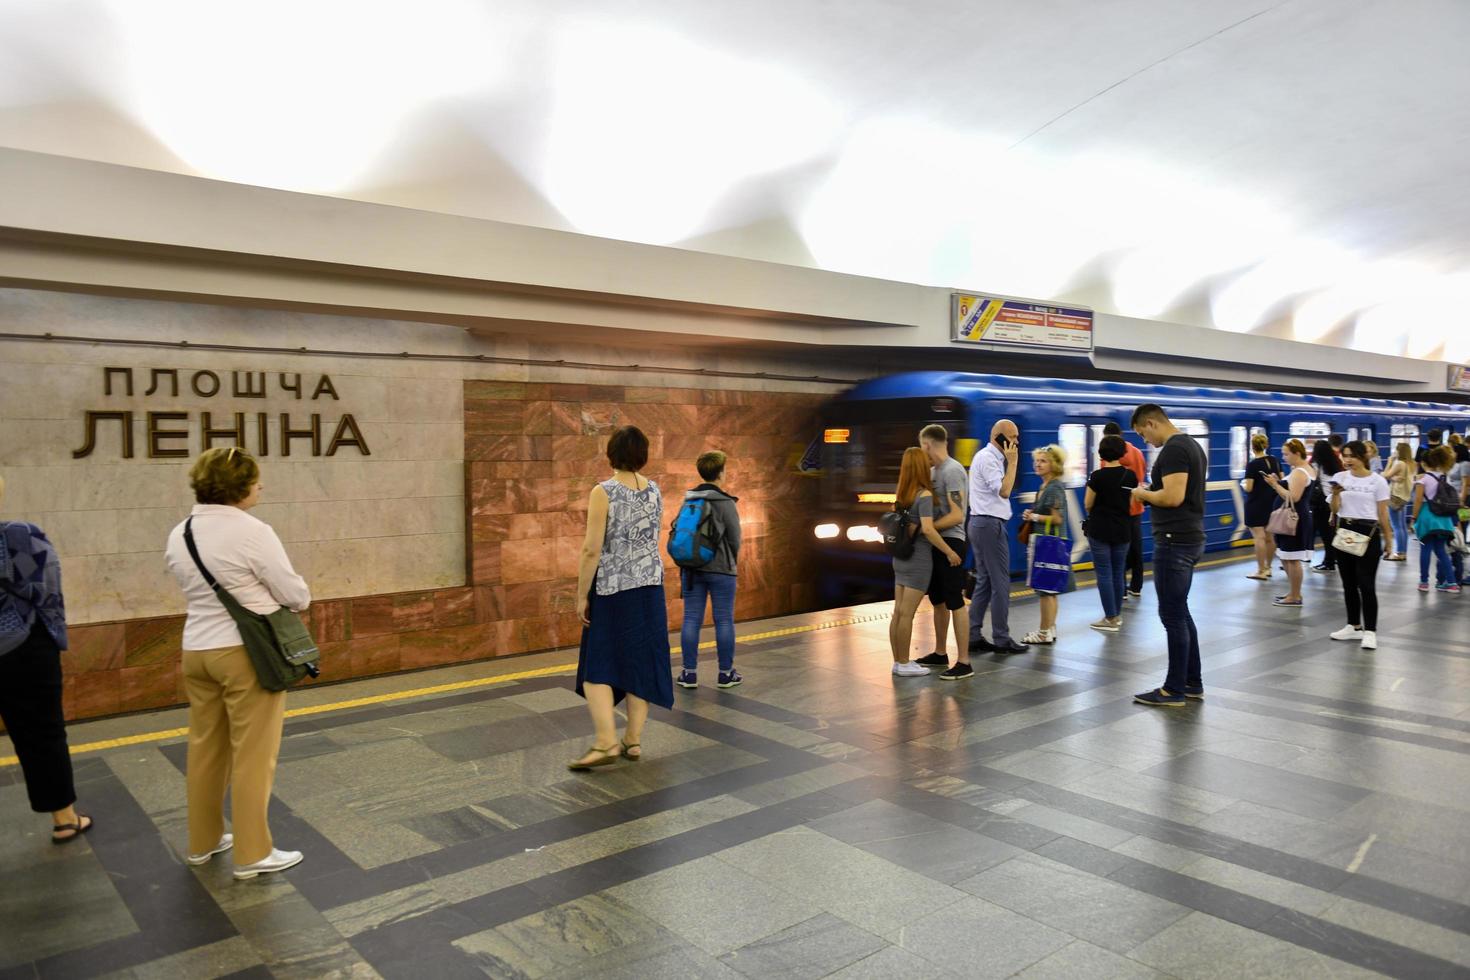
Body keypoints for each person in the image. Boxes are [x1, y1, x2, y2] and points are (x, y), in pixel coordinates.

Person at [164, 448, 309, 878]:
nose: (260, 486)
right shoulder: (252, 531)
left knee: (206, 748)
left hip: (197, 649)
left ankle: (203, 842)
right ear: (239, 486)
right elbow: (293, 593)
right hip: (246, 653)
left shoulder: (181, 532)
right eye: (255, 479)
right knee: (252, 754)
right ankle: (253, 853)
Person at [571, 426, 673, 768]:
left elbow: (591, 549)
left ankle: (605, 743)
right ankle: (633, 740)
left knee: (596, 667)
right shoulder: (655, 490)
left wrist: (581, 594)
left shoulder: (605, 491)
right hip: (650, 589)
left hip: (614, 590)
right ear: (643, 455)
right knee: (639, 664)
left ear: (611, 454)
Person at [0, 476, 93, 845]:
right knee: (42, 734)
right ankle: (64, 818)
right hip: (24, 648)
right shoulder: (19, 536)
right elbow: (46, 588)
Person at [1129, 404, 1208, 707]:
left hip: (1175, 541)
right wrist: (1153, 491)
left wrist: (1142, 494)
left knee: (1171, 615)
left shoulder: (1174, 449)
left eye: (1142, 433)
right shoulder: (1192, 446)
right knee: (1180, 612)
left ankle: (1173, 689)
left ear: (1151, 423)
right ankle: (1191, 682)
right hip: (1188, 537)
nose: (1145, 440)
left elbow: (1173, 497)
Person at [890, 448, 963, 676]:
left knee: (898, 612)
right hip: (918, 561)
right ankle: (904, 663)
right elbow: (929, 531)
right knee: (907, 614)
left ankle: (898, 661)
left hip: (900, 558)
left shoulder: (902, 494)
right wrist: (949, 551)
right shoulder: (924, 495)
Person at [675, 451, 743, 690]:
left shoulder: (689, 500)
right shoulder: (725, 503)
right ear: (721, 473)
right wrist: (730, 562)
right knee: (723, 620)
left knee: (691, 619)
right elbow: (735, 539)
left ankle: (688, 674)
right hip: (722, 570)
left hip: (692, 570)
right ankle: (725, 674)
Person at [912, 425, 974, 680]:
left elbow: (958, 514)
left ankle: (964, 661)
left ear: (927, 444)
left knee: (955, 601)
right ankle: (940, 653)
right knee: (937, 600)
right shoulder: (932, 472)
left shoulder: (952, 470)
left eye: (921, 446)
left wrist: (928, 529)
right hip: (936, 543)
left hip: (952, 543)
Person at [967, 420, 1028, 655]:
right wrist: (1013, 462)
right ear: (999, 437)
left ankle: (973, 635)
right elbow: (1004, 491)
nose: (1017, 442)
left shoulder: (988, 457)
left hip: (983, 524)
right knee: (1001, 582)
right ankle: (1002, 638)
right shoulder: (989, 458)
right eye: (1013, 437)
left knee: (985, 581)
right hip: (988, 525)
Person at [1327, 441, 1391, 650]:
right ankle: (1353, 626)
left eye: (1352, 456)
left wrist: (1389, 540)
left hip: (1368, 533)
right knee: (1348, 583)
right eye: (1344, 455)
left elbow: (1382, 513)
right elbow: (1335, 510)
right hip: (1345, 531)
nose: (1347, 460)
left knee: (1366, 584)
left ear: (1363, 456)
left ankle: (1370, 631)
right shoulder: (1340, 478)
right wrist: (1336, 494)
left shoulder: (1378, 481)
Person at [1084, 435, 1138, 632]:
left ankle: (1110, 618)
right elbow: (1132, 504)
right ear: (1122, 452)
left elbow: (1088, 504)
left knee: (1104, 573)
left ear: (1102, 452)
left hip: (1100, 529)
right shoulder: (1130, 476)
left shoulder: (1097, 476)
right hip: (1123, 529)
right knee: (1118, 572)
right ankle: (1117, 615)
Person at [1020, 445, 1070, 645]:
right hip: (1045, 543)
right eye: (1037, 460)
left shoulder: (1054, 487)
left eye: (1043, 461)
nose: (1037, 464)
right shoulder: (1045, 486)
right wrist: (1032, 516)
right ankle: (1050, 628)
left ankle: (1043, 632)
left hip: (1049, 544)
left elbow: (1057, 519)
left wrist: (1034, 516)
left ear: (1054, 465)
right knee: (1050, 590)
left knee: (1045, 591)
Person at [1265, 439, 1314, 607]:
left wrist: (1274, 485)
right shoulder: (1303, 470)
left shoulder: (1300, 472)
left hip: (1293, 520)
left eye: (1286, 454)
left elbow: (1293, 497)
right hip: (1296, 518)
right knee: (1287, 557)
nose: (1284, 457)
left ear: (1297, 453)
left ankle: (1295, 596)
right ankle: (1293, 592)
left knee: (1292, 558)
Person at [1104, 421, 1148, 600]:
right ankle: (1136, 586)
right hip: (1136, 507)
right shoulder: (1137, 452)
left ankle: (1121, 589)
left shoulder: (1110, 454)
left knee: (1119, 549)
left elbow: (1106, 482)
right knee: (1136, 549)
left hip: (1118, 510)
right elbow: (1142, 477)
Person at [1410, 444, 1460, 594]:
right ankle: (1452, 583)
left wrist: (1413, 517)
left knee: (1425, 549)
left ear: (1424, 463)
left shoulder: (1423, 480)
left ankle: (1424, 582)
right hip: (1444, 519)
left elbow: (1418, 501)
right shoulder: (1445, 478)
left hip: (1427, 517)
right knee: (1441, 551)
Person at [1241, 433, 1282, 580]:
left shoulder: (1252, 464)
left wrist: (1243, 485)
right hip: (1272, 502)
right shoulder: (1275, 460)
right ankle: (1269, 568)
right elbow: (1281, 480)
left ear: (1252, 447)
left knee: (1259, 537)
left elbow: (1249, 487)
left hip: (1256, 504)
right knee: (1270, 538)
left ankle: (1260, 570)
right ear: (1266, 445)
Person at [1309, 441, 1343, 573]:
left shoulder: (1316, 465)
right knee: (1331, 533)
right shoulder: (1335, 463)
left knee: (1325, 534)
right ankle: (1332, 559)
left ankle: (1328, 562)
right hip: (1333, 500)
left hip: (1320, 502)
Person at [1383, 442, 1415, 561]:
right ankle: (1403, 552)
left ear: (1399, 451)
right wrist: (1394, 478)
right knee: (1402, 526)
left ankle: (1400, 553)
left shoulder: (1400, 463)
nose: (1394, 452)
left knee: (1396, 526)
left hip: (1395, 496)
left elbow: (1384, 475)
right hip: (1404, 497)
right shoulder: (1411, 464)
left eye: (1396, 450)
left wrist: (1389, 462)